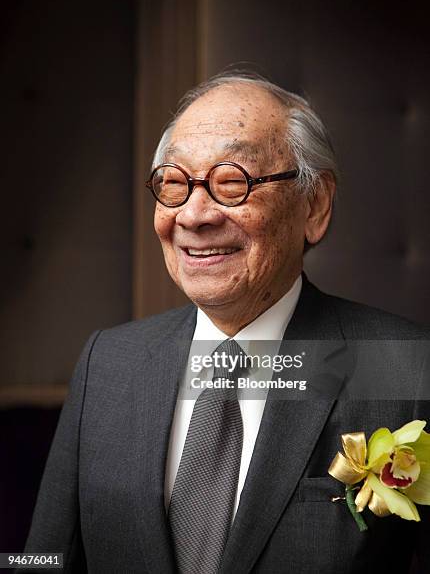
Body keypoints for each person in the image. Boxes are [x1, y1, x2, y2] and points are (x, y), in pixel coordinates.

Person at [24, 73, 429, 573]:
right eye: (173, 183)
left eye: (232, 181)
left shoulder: (402, 368)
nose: (193, 215)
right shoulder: (110, 363)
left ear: (315, 205)